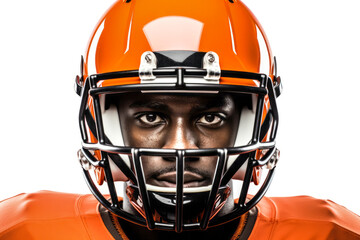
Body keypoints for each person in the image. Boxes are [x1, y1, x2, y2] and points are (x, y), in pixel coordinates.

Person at [1, 0, 359, 239]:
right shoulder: (22, 229)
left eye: (212, 117)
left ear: (255, 121)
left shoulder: (331, 232)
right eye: (150, 116)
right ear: (102, 120)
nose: (180, 146)